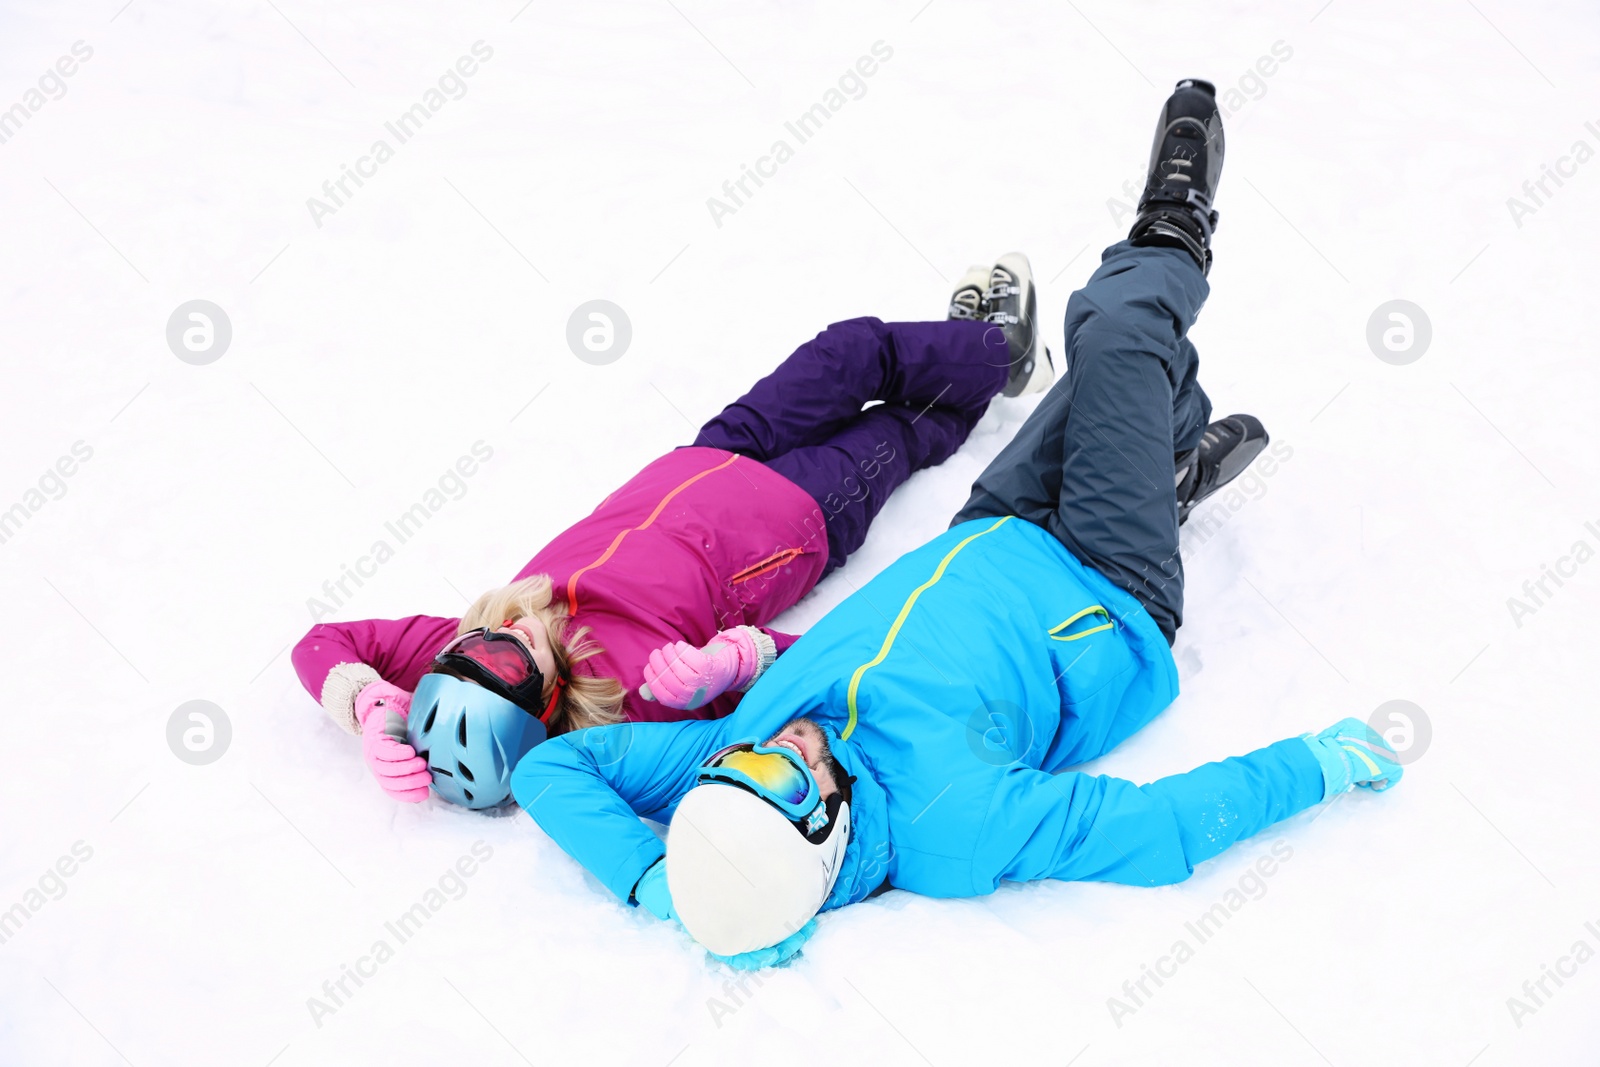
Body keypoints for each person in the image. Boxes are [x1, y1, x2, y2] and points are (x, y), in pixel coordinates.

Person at [512, 79, 1404, 967]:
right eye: (776, 777)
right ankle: (1176, 222)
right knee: (1122, 329)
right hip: (1109, 585)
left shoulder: (736, 749)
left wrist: (654, 884)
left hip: (990, 528)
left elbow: (550, 770)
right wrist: (1316, 766)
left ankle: (1166, 464)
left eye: (730, 768)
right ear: (824, 834)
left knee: (1136, 375)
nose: (768, 745)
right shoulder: (960, 827)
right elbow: (1158, 829)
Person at [290, 253, 1053, 809]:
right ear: (543, 709)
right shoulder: (630, 696)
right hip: (803, 514)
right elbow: (819, 672)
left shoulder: (479, 634)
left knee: (848, 350)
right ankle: (987, 361)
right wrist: (735, 663)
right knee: (903, 428)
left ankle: (988, 350)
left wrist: (367, 705)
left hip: (713, 453)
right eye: (510, 668)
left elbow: (323, 641)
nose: (508, 640)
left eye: (475, 649)